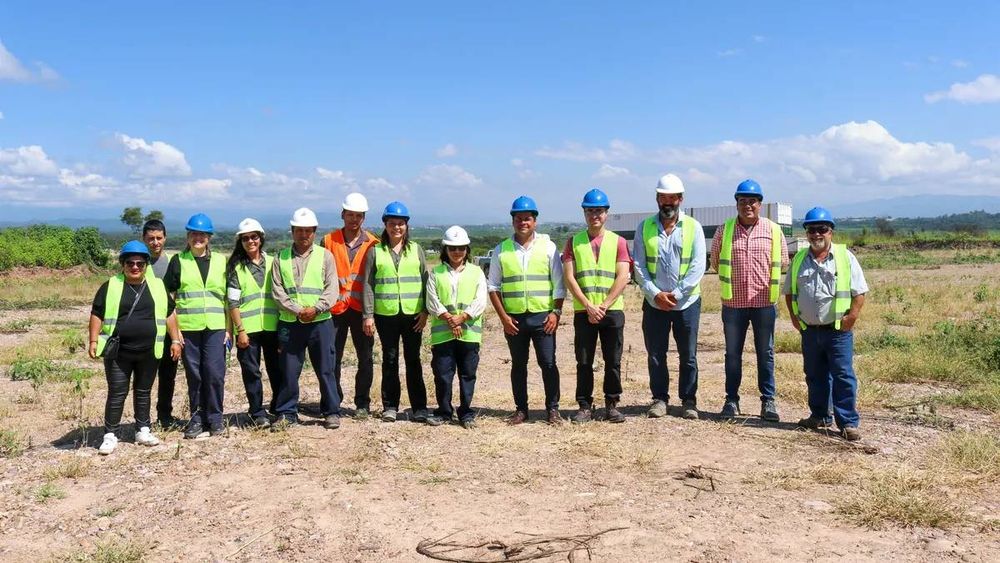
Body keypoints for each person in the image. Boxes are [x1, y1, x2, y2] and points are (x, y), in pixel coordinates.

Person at [89, 241, 182, 455]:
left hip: (149, 351)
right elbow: (97, 313)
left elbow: (169, 313)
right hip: (118, 352)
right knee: (117, 392)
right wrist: (94, 340)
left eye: (140, 263)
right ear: (122, 264)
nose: (135, 267)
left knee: (143, 391)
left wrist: (175, 340)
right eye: (130, 262)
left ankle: (142, 429)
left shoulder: (157, 286)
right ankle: (110, 434)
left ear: (146, 265)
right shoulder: (110, 285)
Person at [783, 207, 868, 441]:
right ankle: (819, 415)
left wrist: (851, 317)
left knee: (842, 375)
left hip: (838, 331)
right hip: (810, 331)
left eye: (822, 229)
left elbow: (859, 292)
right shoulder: (799, 259)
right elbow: (789, 292)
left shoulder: (845, 257)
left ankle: (847, 422)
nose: (816, 234)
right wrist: (794, 317)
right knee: (814, 374)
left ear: (831, 232)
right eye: (811, 229)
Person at [710, 179, 789, 422]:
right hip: (734, 305)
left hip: (765, 303)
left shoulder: (774, 230)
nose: (747, 205)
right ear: (736, 204)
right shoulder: (725, 230)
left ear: (760, 204)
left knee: (765, 353)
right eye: (742, 201)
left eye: (752, 201)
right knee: (732, 354)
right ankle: (731, 401)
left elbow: (784, 262)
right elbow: (714, 261)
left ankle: (768, 401)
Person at [633, 174, 706, 420]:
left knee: (688, 355)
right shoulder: (645, 227)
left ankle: (688, 401)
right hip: (655, 304)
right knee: (656, 354)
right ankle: (659, 399)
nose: (668, 202)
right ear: (657, 199)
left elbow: (698, 266)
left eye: (672, 197)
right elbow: (639, 266)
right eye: (663, 197)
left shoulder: (693, 227)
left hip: (686, 304)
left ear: (680, 199)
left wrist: (674, 295)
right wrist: (655, 294)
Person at [487, 195, 566, 425]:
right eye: (519, 218)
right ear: (513, 221)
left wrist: (556, 313)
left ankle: (553, 409)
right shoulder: (501, 250)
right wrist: (503, 318)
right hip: (515, 320)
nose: (524, 222)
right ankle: (521, 410)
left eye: (528, 218)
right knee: (518, 365)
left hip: (543, 318)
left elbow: (559, 286)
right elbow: (493, 287)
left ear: (535, 221)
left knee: (548, 363)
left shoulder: (549, 248)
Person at [562, 189, 631, 424]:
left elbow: (623, 276)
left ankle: (611, 404)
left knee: (613, 360)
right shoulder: (574, 242)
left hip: (611, 311)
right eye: (590, 210)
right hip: (584, 311)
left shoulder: (618, 242)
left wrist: (603, 305)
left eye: (599, 211)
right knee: (583, 360)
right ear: (584, 213)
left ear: (606, 213)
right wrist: (589, 306)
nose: (595, 215)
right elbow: (570, 278)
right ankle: (584, 405)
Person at [271, 207, 343, 429]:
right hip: (291, 323)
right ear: (292, 231)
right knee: (289, 370)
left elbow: (332, 289)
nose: (304, 235)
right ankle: (287, 412)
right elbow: (278, 292)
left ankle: (331, 411)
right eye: (300, 230)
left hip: (320, 322)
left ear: (314, 231)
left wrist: (317, 308)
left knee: (326, 368)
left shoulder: (325, 256)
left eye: (308, 231)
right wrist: (297, 310)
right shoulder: (280, 258)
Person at [361, 201, 431, 423]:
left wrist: (425, 311)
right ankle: (390, 406)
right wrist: (368, 315)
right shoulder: (375, 251)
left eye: (401, 224)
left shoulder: (416, 250)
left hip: (413, 316)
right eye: (392, 223)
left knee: (413, 360)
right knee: (389, 359)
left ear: (407, 226)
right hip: (386, 315)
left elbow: (425, 281)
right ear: (385, 225)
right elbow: (368, 285)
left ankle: (419, 407)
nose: (397, 228)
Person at [164, 213, 230, 439]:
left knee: (214, 373)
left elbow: (229, 299)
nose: (198, 238)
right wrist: (175, 331)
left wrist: (229, 328)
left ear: (209, 237)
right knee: (194, 375)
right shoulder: (178, 261)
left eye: (202, 234)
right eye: (193, 234)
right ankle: (197, 419)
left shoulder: (222, 261)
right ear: (188, 236)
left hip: (215, 327)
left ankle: (216, 418)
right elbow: (169, 299)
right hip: (188, 328)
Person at [321, 193, 379, 418]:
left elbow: (373, 280)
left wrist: (370, 313)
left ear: (363, 218)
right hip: (334, 310)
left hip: (362, 310)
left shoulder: (373, 243)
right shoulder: (328, 240)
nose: (354, 219)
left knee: (365, 357)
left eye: (358, 215)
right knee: (331, 357)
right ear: (342, 215)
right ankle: (333, 402)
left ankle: (362, 404)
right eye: (350, 215)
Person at [425, 226, 487, 429]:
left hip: (469, 334)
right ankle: (444, 411)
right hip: (443, 334)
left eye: (461, 248)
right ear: (446, 249)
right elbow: (432, 300)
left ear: (467, 249)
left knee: (467, 375)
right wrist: (450, 319)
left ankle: (466, 412)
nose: (457, 252)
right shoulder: (436, 273)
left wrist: (462, 318)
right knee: (443, 374)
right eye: (452, 248)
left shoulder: (476, 272)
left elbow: (480, 300)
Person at [226, 218, 281, 428]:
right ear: (240, 242)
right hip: (247, 330)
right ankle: (257, 412)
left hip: (273, 327)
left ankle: (277, 407)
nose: (250, 241)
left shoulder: (274, 262)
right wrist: (240, 330)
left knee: (277, 370)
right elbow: (233, 302)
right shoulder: (236, 268)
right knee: (252, 372)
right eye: (246, 238)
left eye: (254, 237)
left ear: (261, 239)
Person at [142, 219, 181, 429]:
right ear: (144, 240)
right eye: (151, 239)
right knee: (145, 377)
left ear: (165, 238)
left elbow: (175, 300)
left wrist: (177, 333)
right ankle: (143, 419)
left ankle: (165, 416)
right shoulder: (138, 263)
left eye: (159, 238)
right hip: (146, 329)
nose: (155, 242)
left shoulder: (173, 263)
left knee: (168, 376)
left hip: (168, 330)